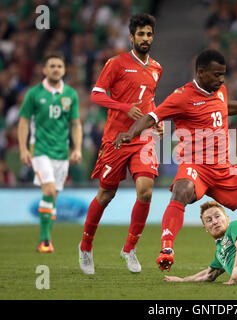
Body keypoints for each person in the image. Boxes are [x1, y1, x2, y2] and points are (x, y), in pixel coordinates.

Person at [115, 49, 237, 285]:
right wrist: (130, 133)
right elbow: (151, 118)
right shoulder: (181, 97)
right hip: (195, 166)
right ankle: (167, 248)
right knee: (181, 190)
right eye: (217, 75)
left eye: (223, 74)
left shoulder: (220, 91)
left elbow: (225, 107)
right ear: (201, 72)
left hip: (224, 170)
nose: (221, 79)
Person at [78, 13, 163, 275]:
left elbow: (149, 99)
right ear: (131, 37)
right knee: (106, 195)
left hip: (143, 138)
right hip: (116, 139)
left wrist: (156, 117)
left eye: (149, 34)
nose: (145, 38)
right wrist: (124, 108)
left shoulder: (157, 68)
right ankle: (86, 245)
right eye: (141, 34)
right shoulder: (116, 63)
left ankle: (129, 249)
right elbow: (96, 94)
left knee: (146, 191)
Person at [18, 53, 82, 253]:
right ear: (44, 70)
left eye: (59, 66)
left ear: (64, 70)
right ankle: (44, 240)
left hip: (61, 153)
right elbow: (24, 122)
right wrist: (22, 148)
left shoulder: (70, 94)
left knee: (53, 195)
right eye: (52, 66)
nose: (56, 69)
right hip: (40, 150)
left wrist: (77, 148)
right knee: (48, 191)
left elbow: (75, 124)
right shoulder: (34, 94)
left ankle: (47, 238)